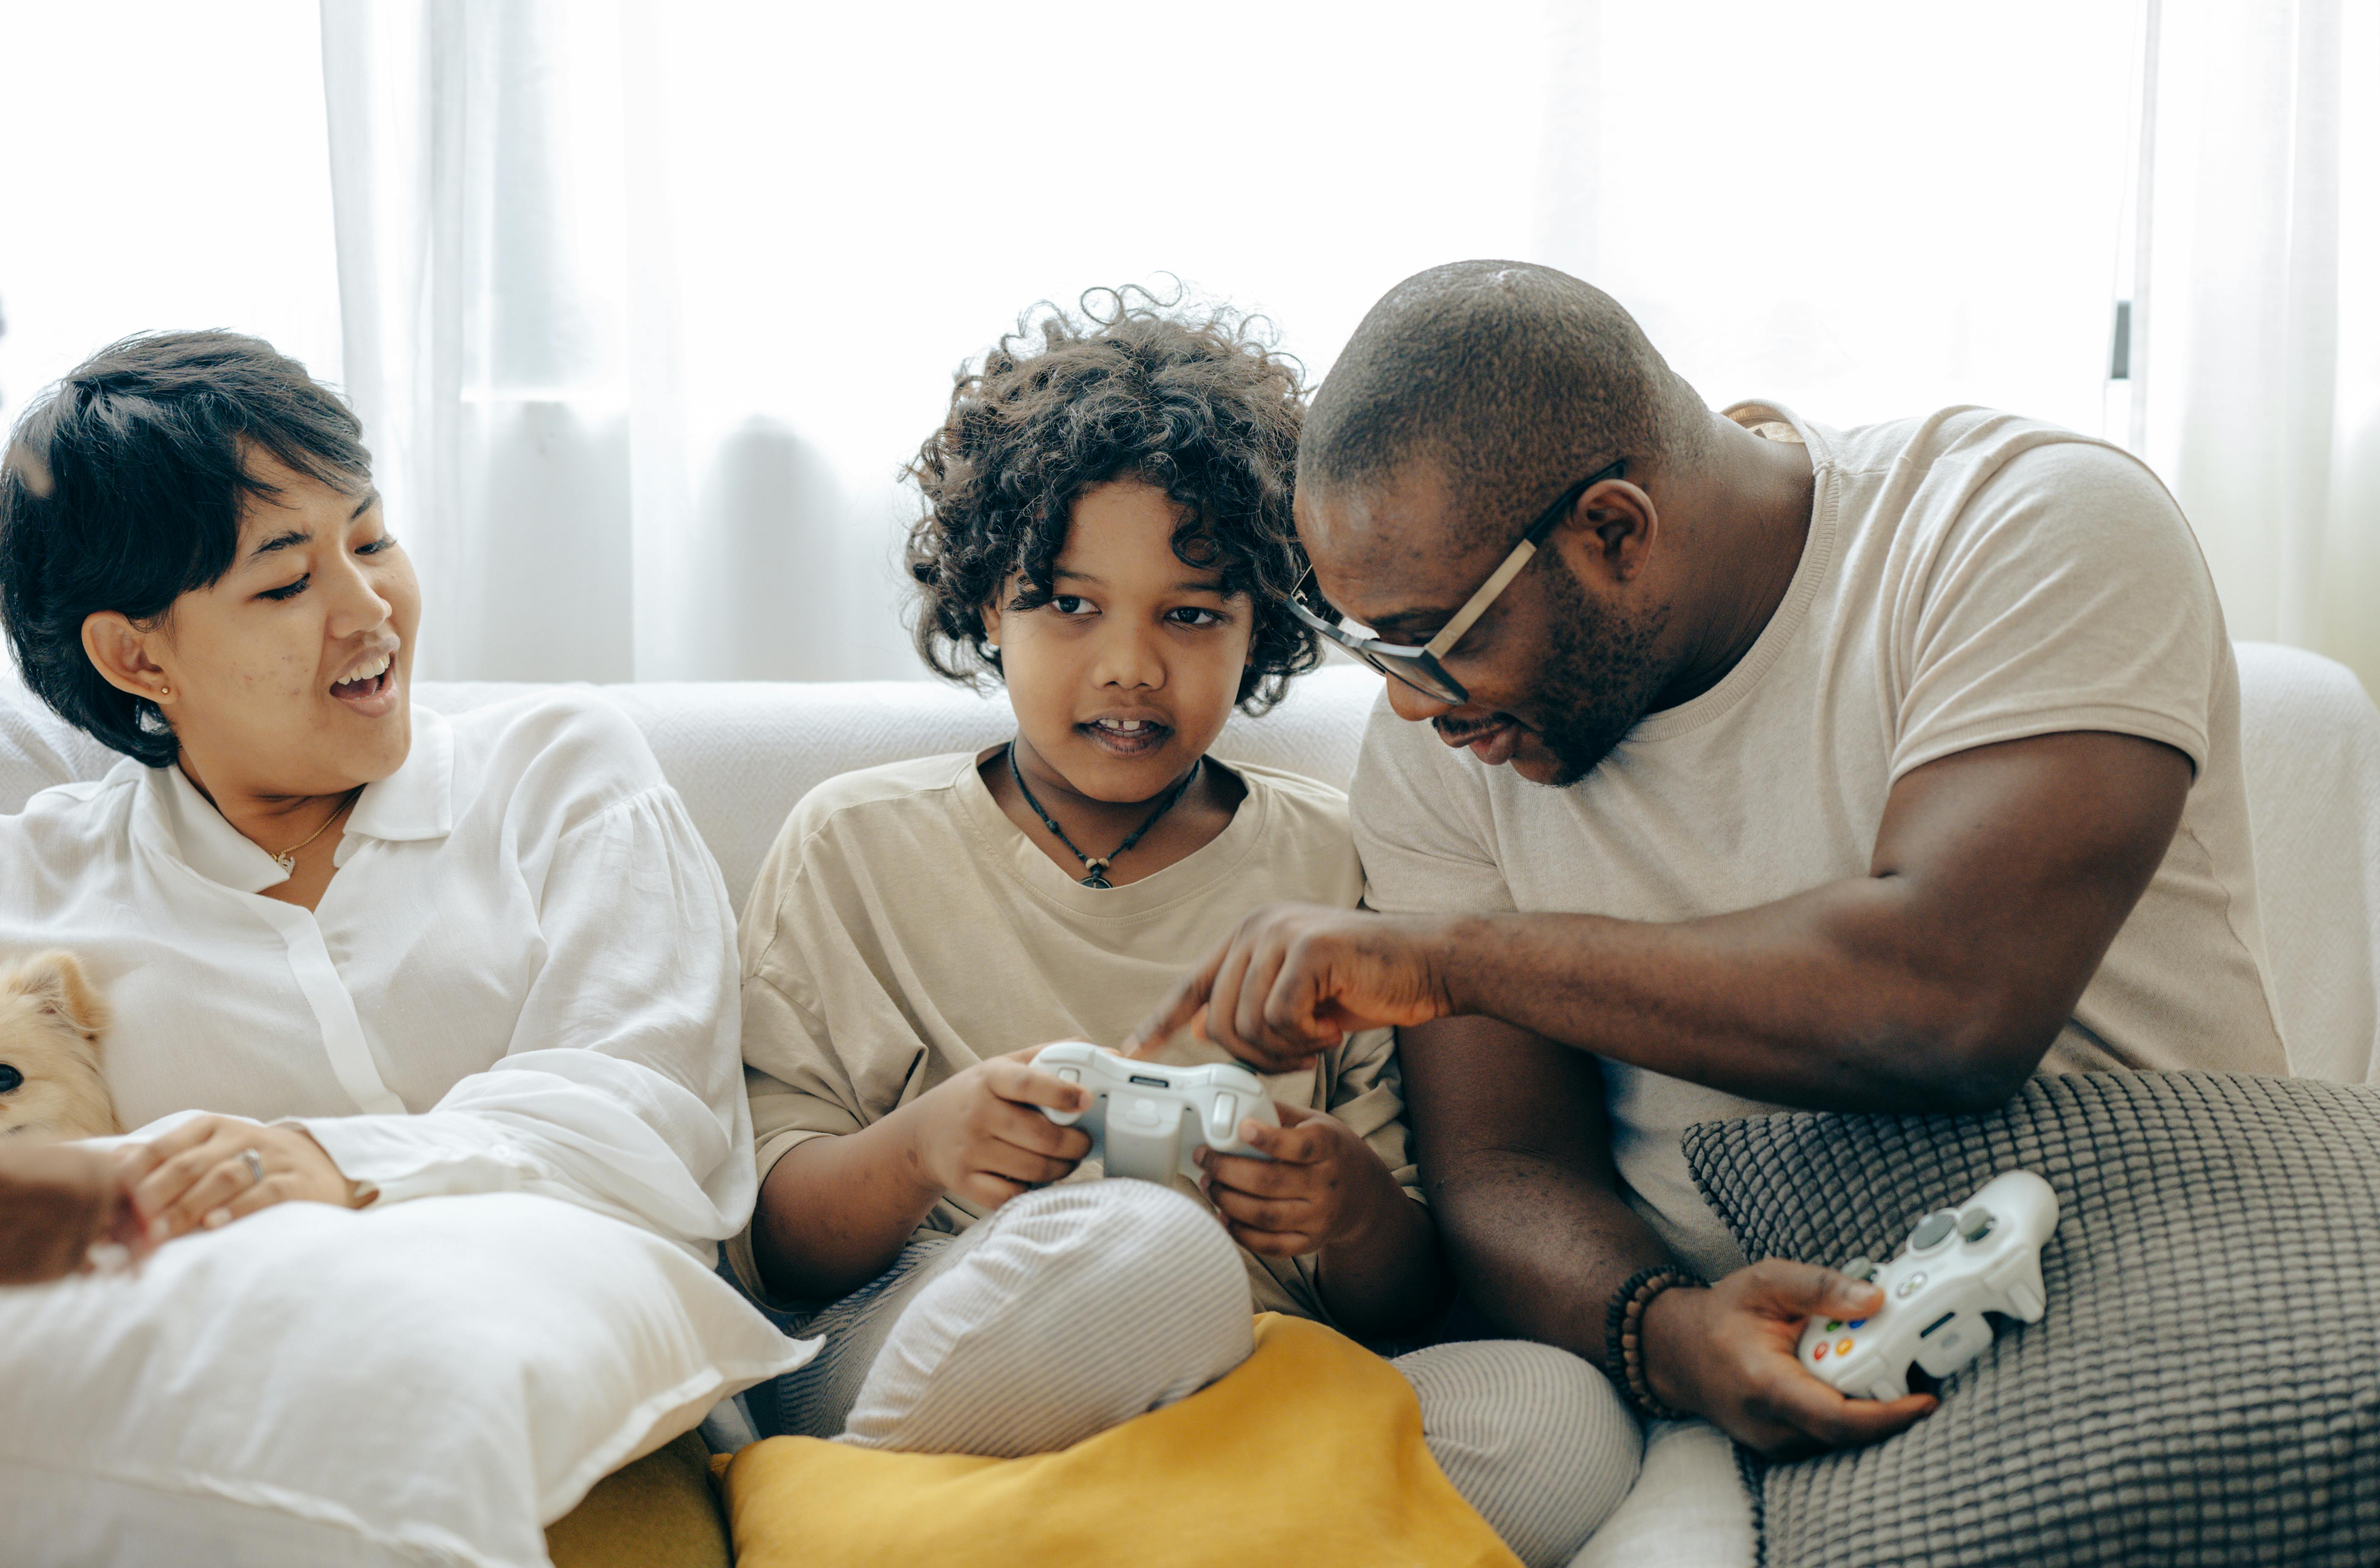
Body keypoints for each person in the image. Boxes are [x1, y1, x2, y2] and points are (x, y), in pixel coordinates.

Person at [1132, 261, 2289, 1462]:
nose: (1415, 707)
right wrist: (1667, 1333)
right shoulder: (1438, 750)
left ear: (1613, 530)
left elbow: (1944, 1008)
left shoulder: (2019, 526)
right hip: (1779, 1359)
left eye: (1434, 642)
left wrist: (1452, 960)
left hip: (2158, 1264)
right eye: (1376, 649)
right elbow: (1507, 1162)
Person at [731, 291, 1638, 1567]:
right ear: (985, 604)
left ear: (1265, 624)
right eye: (1066, 604)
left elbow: (1412, 1297)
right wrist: (928, 1145)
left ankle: (992, 1539)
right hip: (933, 1345)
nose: (1128, 667)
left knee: (1562, 1421)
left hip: (1256, 1382)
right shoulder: (856, 843)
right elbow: (771, 1244)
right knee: (1150, 1260)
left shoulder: (1335, 860)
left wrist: (1351, 1207)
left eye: (1193, 615)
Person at [0, 332, 774, 1530]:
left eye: (371, 540)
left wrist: (338, 1163)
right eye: (285, 581)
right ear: (136, 653)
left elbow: (647, 1119)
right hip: (214, 1423)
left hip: (590, 1423)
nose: (371, 611)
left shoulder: (559, 772)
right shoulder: (35, 884)